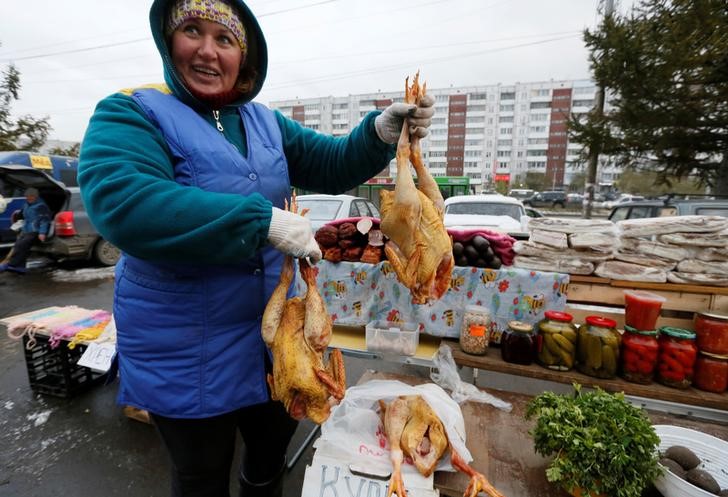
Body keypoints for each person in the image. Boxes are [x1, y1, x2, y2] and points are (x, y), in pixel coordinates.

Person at [77, 1, 434, 496]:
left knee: (267, 462)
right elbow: (125, 203)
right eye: (191, 31)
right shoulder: (131, 112)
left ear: (244, 56)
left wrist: (376, 134)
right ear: (168, 39)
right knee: (201, 475)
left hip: (276, 344)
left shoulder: (264, 122)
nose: (207, 50)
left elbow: (329, 162)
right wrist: (261, 220)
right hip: (183, 348)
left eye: (225, 40)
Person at [0, 187, 51, 274]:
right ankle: (20, 266)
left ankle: (13, 264)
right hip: (26, 229)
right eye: (27, 196)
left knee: (22, 244)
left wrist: (42, 233)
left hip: (36, 230)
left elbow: (45, 221)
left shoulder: (41, 206)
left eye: (31, 196)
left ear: (36, 197)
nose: (29, 198)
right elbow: (22, 216)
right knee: (18, 244)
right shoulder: (26, 205)